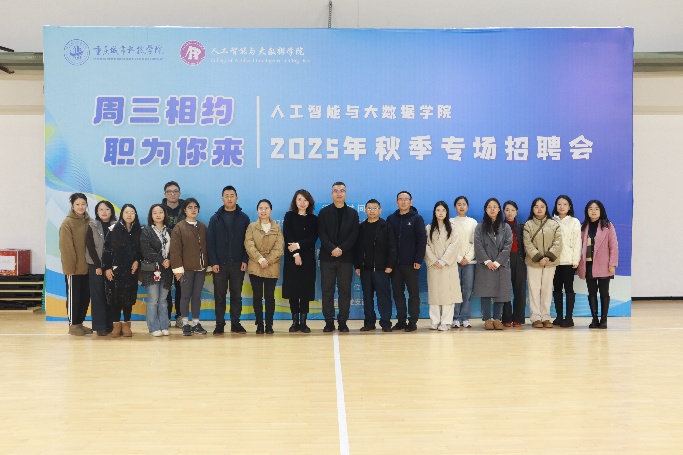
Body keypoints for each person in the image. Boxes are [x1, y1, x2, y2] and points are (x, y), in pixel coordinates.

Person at [207, 185, 250, 335]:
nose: (229, 198)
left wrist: (245, 259)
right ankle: (219, 324)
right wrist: (213, 262)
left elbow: (248, 241)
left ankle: (235, 324)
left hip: (238, 264)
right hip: (220, 265)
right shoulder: (215, 218)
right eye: (227, 195)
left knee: (236, 296)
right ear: (222, 199)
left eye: (232, 195)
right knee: (219, 296)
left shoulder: (244, 218)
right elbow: (210, 243)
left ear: (236, 198)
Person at [318, 182, 360, 333]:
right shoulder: (324, 213)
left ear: (345, 194)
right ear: (332, 194)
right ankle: (329, 322)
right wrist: (332, 248)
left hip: (346, 258)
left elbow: (354, 235)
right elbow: (322, 234)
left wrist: (341, 249)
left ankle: (343, 321)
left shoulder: (353, 213)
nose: (339, 193)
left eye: (342, 191)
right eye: (335, 191)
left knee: (345, 291)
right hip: (327, 258)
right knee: (327, 291)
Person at [354, 199, 397, 332]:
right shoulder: (361, 227)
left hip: (382, 269)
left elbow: (392, 247)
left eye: (374, 208)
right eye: (369, 208)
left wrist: (390, 265)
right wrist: (357, 265)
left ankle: (386, 323)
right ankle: (369, 323)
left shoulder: (386, 226)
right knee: (367, 298)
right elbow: (356, 248)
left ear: (380, 210)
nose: (372, 211)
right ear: (365, 210)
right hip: (365, 270)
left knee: (384, 298)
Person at [386, 191, 426, 332]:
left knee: (413, 294)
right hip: (395, 265)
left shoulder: (417, 219)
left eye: (406, 199)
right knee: (398, 294)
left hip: (411, 264)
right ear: (396, 202)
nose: (403, 202)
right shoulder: (391, 219)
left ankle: (413, 321)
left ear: (411, 202)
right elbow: (387, 242)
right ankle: (401, 320)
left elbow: (422, 241)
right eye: (400, 199)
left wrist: (418, 259)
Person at [170, 198, 211, 337]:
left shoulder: (203, 227)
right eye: (190, 207)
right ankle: (185, 324)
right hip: (185, 269)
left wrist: (208, 266)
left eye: (195, 207)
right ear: (184, 210)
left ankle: (196, 324)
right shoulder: (179, 227)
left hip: (200, 269)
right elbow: (175, 250)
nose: (193, 210)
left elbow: (207, 248)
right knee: (185, 296)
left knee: (197, 296)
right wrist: (178, 269)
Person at [244, 199, 285, 334]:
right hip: (256, 265)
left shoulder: (277, 228)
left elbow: (279, 247)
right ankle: (259, 324)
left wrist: (268, 260)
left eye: (266, 208)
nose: (263, 211)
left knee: (269, 297)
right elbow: (249, 244)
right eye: (261, 208)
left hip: (272, 266)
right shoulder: (251, 227)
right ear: (257, 211)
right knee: (257, 296)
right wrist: (260, 259)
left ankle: (269, 325)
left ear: (271, 210)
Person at [577, 200, 619, 329]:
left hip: (604, 265)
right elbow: (578, 247)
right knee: (592, 293)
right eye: (590, 209)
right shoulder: (583, 227)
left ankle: (604, 319)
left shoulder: (608, 226)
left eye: (596, 209)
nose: (593, 211)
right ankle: (594, 319)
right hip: (588, 265)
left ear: (601, 211)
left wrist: (612, 263)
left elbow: (613, 246)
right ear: (587, 211)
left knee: (604, 292)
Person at [102, 204, 142, 338]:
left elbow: (141, 251)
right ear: (122, 214)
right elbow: (106, 250)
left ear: (135, 215)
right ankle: (116, 325)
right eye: (126, 212)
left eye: (132, 212)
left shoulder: (139, 230)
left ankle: (126, 325)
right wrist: (107, 268)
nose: (129, 215)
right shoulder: (113, 229)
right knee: (115, 299)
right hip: (115, 270)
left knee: (128, 299)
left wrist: (138, 260)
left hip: (131, 271)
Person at [473, 198, 512, 331]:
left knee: (500, 292)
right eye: (489, 207)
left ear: (499, 209)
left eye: (495, 207)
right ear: (486, 209)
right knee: (485, 292)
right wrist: (487, 261)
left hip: (501, 264)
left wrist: (497, 262)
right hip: (485, 264)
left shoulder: (505, 227)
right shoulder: (480, 227)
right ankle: (487, 319)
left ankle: (497, 319)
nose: (492, 209)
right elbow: (478, 245)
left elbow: (508, 245)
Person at [282, 189, 318, 334]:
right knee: (293, 290)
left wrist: (298, 245)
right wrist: (296, 253)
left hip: (308, 259)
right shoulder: (289, 216)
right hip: (292, 258)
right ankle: (294, 322)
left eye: (305, 200)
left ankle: (303, 323)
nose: (302, 203)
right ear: (295, 202)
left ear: (309, 202)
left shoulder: (314, 219)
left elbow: (313, 238)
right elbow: (288, 235)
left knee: (305, 290)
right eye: (299, 199)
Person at [523, 197, 562, 329]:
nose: (539, 209)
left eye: (542, 206)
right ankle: (535, 317)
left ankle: (546, 317)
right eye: (536, 206)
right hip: (533, 263)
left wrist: (548, 257)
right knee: (534, 290)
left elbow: (558, 242)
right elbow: (527, 244)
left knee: (547, 290)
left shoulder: (554, 224)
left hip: (550, 263)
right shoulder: (528, 225)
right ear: (532, 209)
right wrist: (539, 257)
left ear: (546, 208)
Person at [424, 201, 461, 331]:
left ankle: (446, 322)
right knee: (434, 294)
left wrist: (443, 260)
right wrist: (434, 260)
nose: (440, 213)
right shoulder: (428, 228)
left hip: (448, 266)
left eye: (443, 210)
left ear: (447, 212)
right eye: (438, 210)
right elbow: (425, 246)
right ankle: (435, 321)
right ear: (434, 212)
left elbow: (454, 246)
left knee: (448, 295)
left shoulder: (453, 228)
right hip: (434, 265)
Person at [59, 193, 93, 336]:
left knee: (84, 297)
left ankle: (79, 323)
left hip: (88, 268)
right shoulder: (67, 223)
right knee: (74, 298)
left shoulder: (90, 221)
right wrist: (69, 268)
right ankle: (73, 325)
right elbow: (66, 247)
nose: (80, 207)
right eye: (77, 204)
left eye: (83, 204)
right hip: (74, 269)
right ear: (72, 205)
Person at [140, 204, 173, 337]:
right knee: (153, 299)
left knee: (163, 300)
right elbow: (146, 250)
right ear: (151, 215)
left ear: (165, 214)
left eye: (160, 212)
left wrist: (169, 260)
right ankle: (153, 327)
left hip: (167, 270)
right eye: (155, 212)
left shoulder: (170, 231)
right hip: (151, 270)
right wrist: (161, 260)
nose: (158, 215)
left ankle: (164, 326)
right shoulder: (146, 231)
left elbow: (175, 249)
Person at [85, 200, 116, 337]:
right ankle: (100, 326)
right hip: (95, 266)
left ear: (111, 211)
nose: (104, 212)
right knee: (98, 297)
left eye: (107, 209)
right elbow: (90, 247)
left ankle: (110, 325)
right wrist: (98, 266)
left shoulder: (117, 226)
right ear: (97, 212)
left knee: (111, 296)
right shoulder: (92, 226)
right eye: (101, 209)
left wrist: (111, 265)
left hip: (112, 267)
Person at [551, 195, 582, 327]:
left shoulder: (574, 221)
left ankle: (569, 318)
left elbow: (577, 242)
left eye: (565, 204)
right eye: (559, 204)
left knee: (569, 288)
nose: (562, 207)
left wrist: (576, 259)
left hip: (569, 261)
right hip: (554, 261)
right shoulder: (552, 221)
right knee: (557, 288)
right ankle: (559, 316)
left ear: (569, 207)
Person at [450, 196, 477, 328]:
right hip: (454, 261)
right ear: (455, 207)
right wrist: (459, 258)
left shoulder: (473, 222)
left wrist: (468, 258)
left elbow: (476, 242)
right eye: (459, 204)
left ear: (467, 206)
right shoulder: (450, 222)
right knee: (455, 290)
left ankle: (465, 317)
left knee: (467, 290)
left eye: (464, 204)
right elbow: (449, 243)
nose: (461, 206)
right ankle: (455, 318)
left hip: (469, 262)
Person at [161, 181, 185, 328]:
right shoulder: (159, 209)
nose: (172, 194)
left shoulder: (186, 208)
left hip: (181, 254)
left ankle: (180, 316)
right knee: (165, 288)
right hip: (164, 256)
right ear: (165, 194)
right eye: (169, 191)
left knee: (181, 287)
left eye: (175, 191)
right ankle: (166, 317)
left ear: (179, 193)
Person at [501, 201, 527, 327]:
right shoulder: (499, 226)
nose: (510, 213)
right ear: (503, 212)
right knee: (505, 289)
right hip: (504, 259)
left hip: (519, 259)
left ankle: (518, 318)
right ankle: (506, 318)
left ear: (516, 212)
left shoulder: (522, 227)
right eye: (507, 210)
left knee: (520, 289)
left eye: (512, 210)